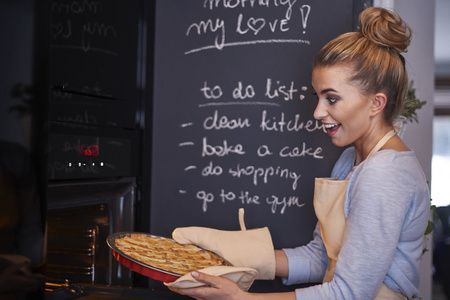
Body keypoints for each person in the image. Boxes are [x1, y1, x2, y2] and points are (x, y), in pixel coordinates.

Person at [168, 6, 430, 300]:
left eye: (331, 99)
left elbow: (351, 294)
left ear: (375, 103)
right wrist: (228, 253)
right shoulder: (351, 161)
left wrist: (242, 299)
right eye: (318, 97)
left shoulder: (386, 174)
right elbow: (320, 258)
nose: (318, 112)